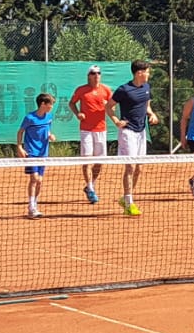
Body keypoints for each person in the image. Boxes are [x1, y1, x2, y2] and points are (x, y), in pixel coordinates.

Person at [112, 60, 160, 216]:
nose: (149, 74)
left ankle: (127, 198)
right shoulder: (124, 90)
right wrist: (116, 121)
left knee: (139, 167)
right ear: (139, 73)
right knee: (130, 167)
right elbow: (108, 107)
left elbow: (146, 106)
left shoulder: (147, 87)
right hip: (128, 132)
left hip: (141, 132)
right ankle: (129, 202)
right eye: (147, 71)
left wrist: (152, 114)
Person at [67, 64, 113, 203]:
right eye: (93, 73)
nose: (96, 75)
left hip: (101, 129)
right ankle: (91, 189)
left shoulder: (106, 90)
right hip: (86, 130)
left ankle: (90, 184)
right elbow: (71, 103)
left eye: (98, 73)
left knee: (100, 162)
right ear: (88, 75)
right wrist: (78, 113)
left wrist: (108, 106)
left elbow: (113, 106)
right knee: (86, 160)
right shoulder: (81, 90)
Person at [17, 92, 56, 219]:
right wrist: (19, 147)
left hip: (43, 153)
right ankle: (31, 207)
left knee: (40, 181)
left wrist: (50, 135)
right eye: (50, 104)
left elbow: (48, 129)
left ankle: (34, 204)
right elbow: (20, 132)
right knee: (35, 179)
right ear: (43, 104)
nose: (52, 107)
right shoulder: (29, 118)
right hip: (31, 152)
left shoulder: (49, 117)